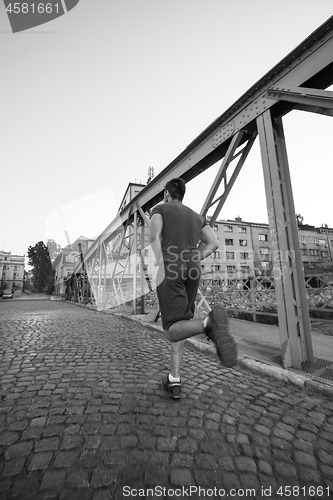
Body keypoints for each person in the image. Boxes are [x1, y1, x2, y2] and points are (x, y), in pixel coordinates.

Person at [149, 177, 237, 399]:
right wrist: (193, 257)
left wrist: (158, 261)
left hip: (171, 267)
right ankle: (174, 378)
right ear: (182, 194)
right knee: (182, 323)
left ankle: (209, 323)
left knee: (171, 330)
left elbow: (154, 235)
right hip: (192, 269)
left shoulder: (159, 209)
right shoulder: (196, 216)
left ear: (167, 194)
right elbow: (213, 243)